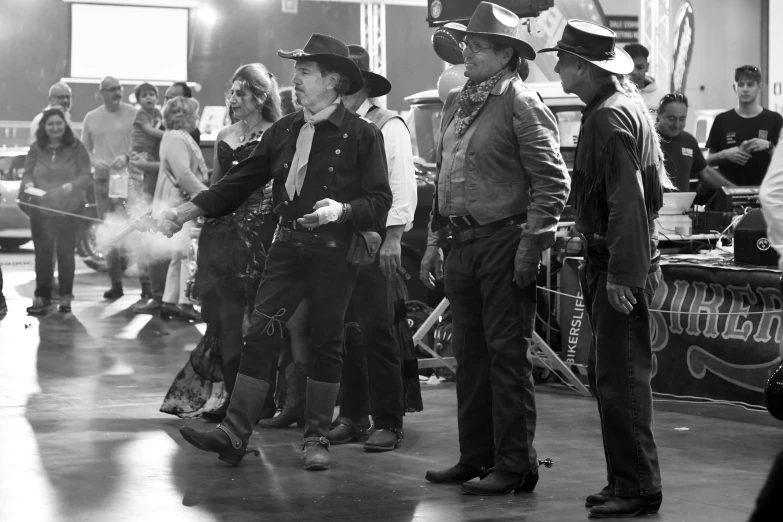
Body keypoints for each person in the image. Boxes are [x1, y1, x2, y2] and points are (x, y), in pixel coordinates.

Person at [158, 33, 390, 472]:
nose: (295, 81)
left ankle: (316, 436)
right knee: (259, 332)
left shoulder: (362, 134)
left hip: (334, 252)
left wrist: (341, 210)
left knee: (326, 341)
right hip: (285, 247)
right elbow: (237, 182)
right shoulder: (284, 130)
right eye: (296, 72)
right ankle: (234, 430)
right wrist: (185, 210)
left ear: (335, 81)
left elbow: (379, 202)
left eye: (304, 73)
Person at [420, 2, 570, 496]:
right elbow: (445, 175)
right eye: (468, 44)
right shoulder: (458, 100)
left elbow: (552, 182)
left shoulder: (521, 101)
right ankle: (476, 455)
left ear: (506, 54)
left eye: (478, 45)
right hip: (462, 244)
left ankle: (516, 464)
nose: (468, 52)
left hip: (505, 242)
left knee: (506, 356)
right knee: (470, 355)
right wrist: (434, 240)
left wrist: (532, 245)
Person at [541, 19, 672, 517]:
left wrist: (622, 272)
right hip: (618, 258)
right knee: (612, 375)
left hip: (615, 265)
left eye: (563, 58)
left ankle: (637, 487)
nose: (557, 66)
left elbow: (627, 202)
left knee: (620, 378)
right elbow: (637, 199)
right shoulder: (623, 108)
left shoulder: (605, 118)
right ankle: (626, 479)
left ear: (582, 66)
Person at [320, 44, 417, 451]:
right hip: (340, 244)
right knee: (347, 333)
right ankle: (354, 415)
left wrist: (394, 238)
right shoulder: (334, 122)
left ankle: (389, 421)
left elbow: (401, 186)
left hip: (375, 242)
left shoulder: (387, 123)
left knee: (378, 333)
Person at [176, 63, 282, 421]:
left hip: (261, 237)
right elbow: (217, 188)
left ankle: (263, 399)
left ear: (261, 96)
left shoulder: (277, 133)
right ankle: (234, 398)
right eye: (231, 92)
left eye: (241, 92)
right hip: (222, 238)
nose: (233, 98)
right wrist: (187, 213)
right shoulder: (224, 134)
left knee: (258, 323)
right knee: (224, 320)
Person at [22, 107, 92, 315]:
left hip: (68, 209)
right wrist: (28, 184)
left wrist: (71, 186)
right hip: (41, 209)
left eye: (58, 123)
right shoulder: (36, 148)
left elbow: (86, 176)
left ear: (65, 125)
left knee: (65, 253)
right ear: (44, 126)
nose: (55, 127)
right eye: (50, 124)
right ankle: (42, 297)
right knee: (42, 254)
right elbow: (27, 174)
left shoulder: (76, 147)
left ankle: (65, 297)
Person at [152, 97, 209, 322]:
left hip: (177, 200)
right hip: (180, 203)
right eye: (194, 113)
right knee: (187, 254)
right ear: (183, 116)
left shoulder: (173, 136)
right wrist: (209, 197)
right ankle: (185, 303)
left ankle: (170, 301)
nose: (197, 117)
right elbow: (183, 174)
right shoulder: (176, 137)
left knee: (179, 255)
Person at [81, 76, 138, 299]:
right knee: (108, 231)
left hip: (129, 179)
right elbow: (84, 148)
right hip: (103, 181)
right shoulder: (91, 117)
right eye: (111, 89)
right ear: (101, 93)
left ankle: (144, 287)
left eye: (119, 88)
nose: (117, 92)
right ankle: (116, 283)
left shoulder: (133, 113)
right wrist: (94, 161)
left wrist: (126, 156)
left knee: (133, 229)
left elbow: (142, 143)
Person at [706, 65, 783, 187]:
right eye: (741, 84)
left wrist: (768, 146)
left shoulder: (774, 119)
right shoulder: (722, 120)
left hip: (764, 192)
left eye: (750, 85)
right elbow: (707, 161)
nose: (745, 89)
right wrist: (725, 154)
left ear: (760, 87)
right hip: (729, 193)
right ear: (734, 87)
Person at [656, 93, 734, 192]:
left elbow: (705, 172)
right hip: (650, 206)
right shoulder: (645, 140)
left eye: (682, 119)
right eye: (672, 119)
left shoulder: (689, 141)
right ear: (659, 114)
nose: (677, 124)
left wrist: (734, 190)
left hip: (682, 206)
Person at [624, 43, 666, 113]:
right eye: (630, 67)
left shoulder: (663, 98)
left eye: (640, 67)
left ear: (647, 67)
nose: (635, 72)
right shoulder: (614, 97)